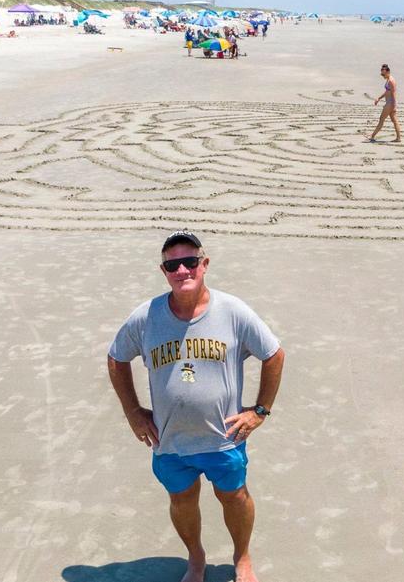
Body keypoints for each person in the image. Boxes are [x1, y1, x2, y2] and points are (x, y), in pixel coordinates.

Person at [108, 231, 285, 582]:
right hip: (170, 440)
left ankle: (242, 557)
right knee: (182, 501)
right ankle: (196, 558)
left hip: (224, 437)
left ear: (204, 265)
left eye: (190, 262)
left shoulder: (233, 311)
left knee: (234, 497)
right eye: (173, 265)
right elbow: (116, 359)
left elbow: (274, 354)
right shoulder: (146, 317)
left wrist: (260, 411)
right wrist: (133, 411)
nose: (183, 270)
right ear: (164, 271)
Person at [367, 63, 401, 143]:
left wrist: (393, 105)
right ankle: (398, 138)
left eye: (383, 74)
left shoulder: (391, 81)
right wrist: (379, 98)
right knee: (394, 120)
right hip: (390, 103)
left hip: (390, 103)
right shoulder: (389, 80)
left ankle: (372, 136)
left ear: (388, 71)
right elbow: (387, 92)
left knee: (381, 119)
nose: (383, 75)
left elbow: (393, 94)